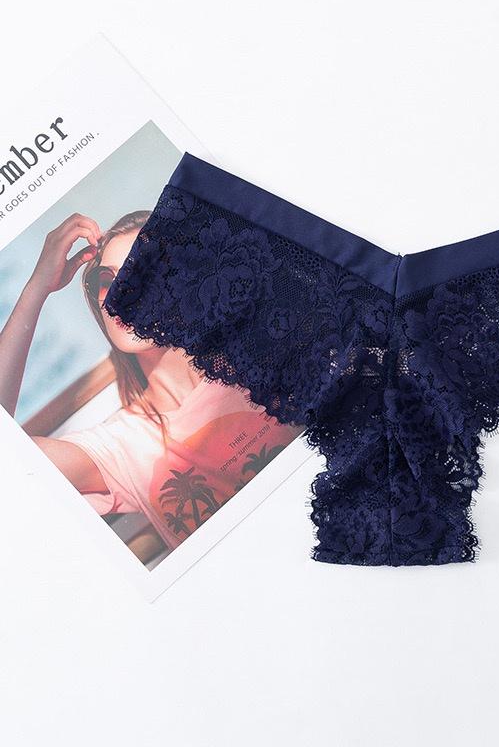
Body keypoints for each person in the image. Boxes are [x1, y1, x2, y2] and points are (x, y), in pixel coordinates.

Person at [0, 211, 304, 551]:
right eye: (106, 279)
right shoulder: (121, 447)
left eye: (142, 270)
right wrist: (37, 288)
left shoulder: (256, 358)